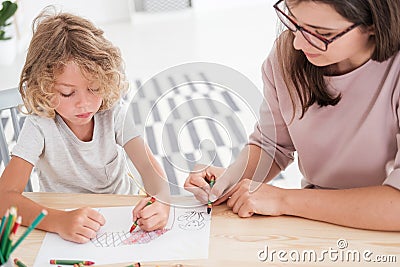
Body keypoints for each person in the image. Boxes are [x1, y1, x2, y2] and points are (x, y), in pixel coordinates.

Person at [185, 0, 400, 231]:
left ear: (375, 24)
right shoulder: (288, 55)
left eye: (322, 33)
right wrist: (230, 180)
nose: (298, 43)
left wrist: (283, 200)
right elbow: (273, 144)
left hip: (381, 229)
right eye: (295, 22)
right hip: (314, 221)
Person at [0, 10, 170, 243]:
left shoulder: (114, 114)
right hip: (63, 226)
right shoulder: (40, 125)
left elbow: (151, 171)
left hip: (121, 222)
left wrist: (161, 202)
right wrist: (58, 221)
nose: (84, 103)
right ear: (44, 88)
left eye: (95, 88)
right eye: (67, 93)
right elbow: (3, 198)